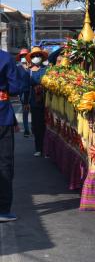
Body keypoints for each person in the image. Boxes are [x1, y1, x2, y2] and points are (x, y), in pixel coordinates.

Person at [0, 49, 22, 222]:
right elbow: (15, 88)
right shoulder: (5, 58)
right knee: (5, 163)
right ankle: (3, 210)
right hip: (2, 117)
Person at [25, 47, 48, 157]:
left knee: (47, 126)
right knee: (36, 126)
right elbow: (26, 88)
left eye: (38, 55)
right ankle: (38, 148)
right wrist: (25, 103)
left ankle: (47, 149)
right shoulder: (28, 72)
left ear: (42, 57)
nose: (36, 58)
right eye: (33, 56)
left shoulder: (46, 70)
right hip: (34, 103)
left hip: (46, 102)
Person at [15, 49, 31, 137]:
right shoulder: (18, 68)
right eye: (22, 56)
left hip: (33, 92)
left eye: (25, 56)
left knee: (35, 111)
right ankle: (26, 130)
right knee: (25, 111)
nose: (23, 58)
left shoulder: (32, 67)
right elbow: (15, 80)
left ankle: (35, 128)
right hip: (23, 93)